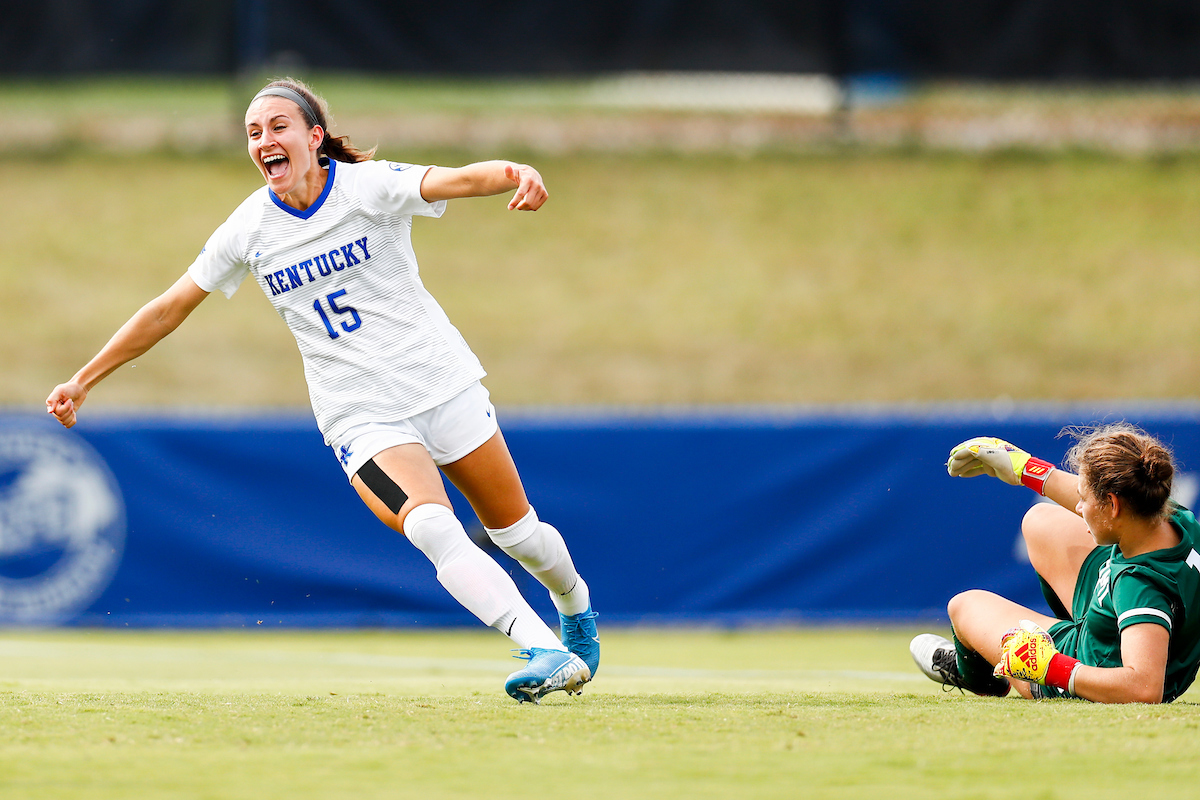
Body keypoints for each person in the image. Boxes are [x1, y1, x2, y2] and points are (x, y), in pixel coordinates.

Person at [45, 77, 599, 704]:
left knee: (517, 535)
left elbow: (458, 179)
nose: (264, 141)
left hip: (441, 382)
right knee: (432, 527)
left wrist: (515, 171)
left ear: (313, 137)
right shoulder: (249, 227)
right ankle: (540, 646)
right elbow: (169, 307)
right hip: (360, 414)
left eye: (278, 127)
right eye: (253, 133)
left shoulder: (366, 186)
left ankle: (575, 612)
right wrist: (83, 378)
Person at [910, 424, 1200, 703]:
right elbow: (1108, 498)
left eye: (1084, 498)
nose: (1078, 506)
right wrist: (1026, 468)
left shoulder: (1138, 584)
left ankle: (975, 677)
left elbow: (1144, 688)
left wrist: (1053, 667)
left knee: (963, 605)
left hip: (1095, 668)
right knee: (1040, 522)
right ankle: (1098, 624)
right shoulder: (1174, 517)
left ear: (1113, 505)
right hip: (1131, 634)